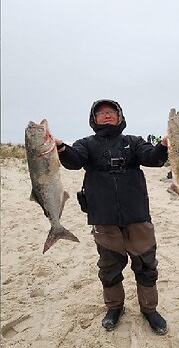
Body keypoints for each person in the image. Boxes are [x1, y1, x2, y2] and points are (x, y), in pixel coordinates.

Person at [51, 99, 171, 335]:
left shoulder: (133, 142)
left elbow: (152, 158)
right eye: (101, 113)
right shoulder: (86, 144)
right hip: (103, 217)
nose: (107, 116)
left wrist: (164, 146)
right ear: (93, 119)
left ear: (120, 116)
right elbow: (74, 162)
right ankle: (115, 308)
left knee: (146, 264)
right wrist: (62, 147)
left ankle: (149, 309)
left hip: (137, 215)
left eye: (111, 112)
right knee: (109, 266)